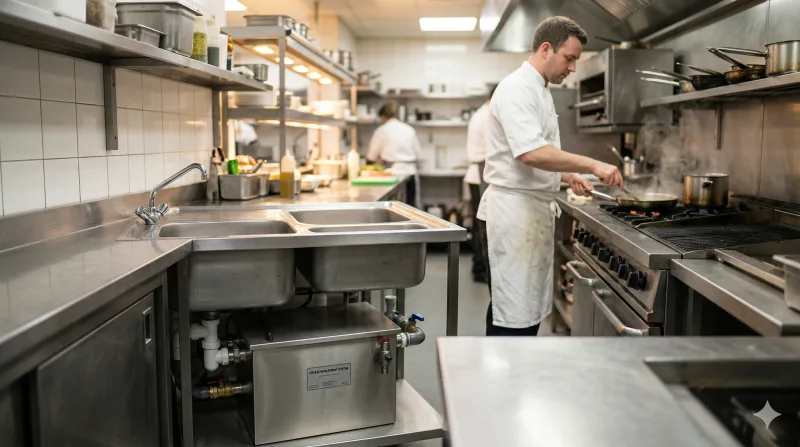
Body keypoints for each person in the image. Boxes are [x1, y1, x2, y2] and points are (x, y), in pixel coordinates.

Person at [477, 16, 624, 336]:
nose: (572, 68)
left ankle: (509, 374)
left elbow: (534, 158)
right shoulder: (517, 88)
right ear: (546, 48)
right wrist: (591, 165)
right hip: (515, 216)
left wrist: (567, 175)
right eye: (569, 58)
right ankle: (499, 381)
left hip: (529, 213)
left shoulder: (539, 89)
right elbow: (530, 153)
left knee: (521, 311)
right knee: (511, 314)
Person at [464, 86, 496, 284]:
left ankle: (479, 266)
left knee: (480, 224)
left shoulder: (483, 113)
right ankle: (480, 269)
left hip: (480, 174)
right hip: (480, 175)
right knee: (482, 224)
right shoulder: (487, 116)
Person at [366, 101, 422, 208]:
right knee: (411, 209)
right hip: (410, 172)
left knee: (393, 210)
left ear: (383, 117)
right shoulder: (409, 129)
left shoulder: (382, 130)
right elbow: (418, 153)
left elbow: (371, 156)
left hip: (391, 175)